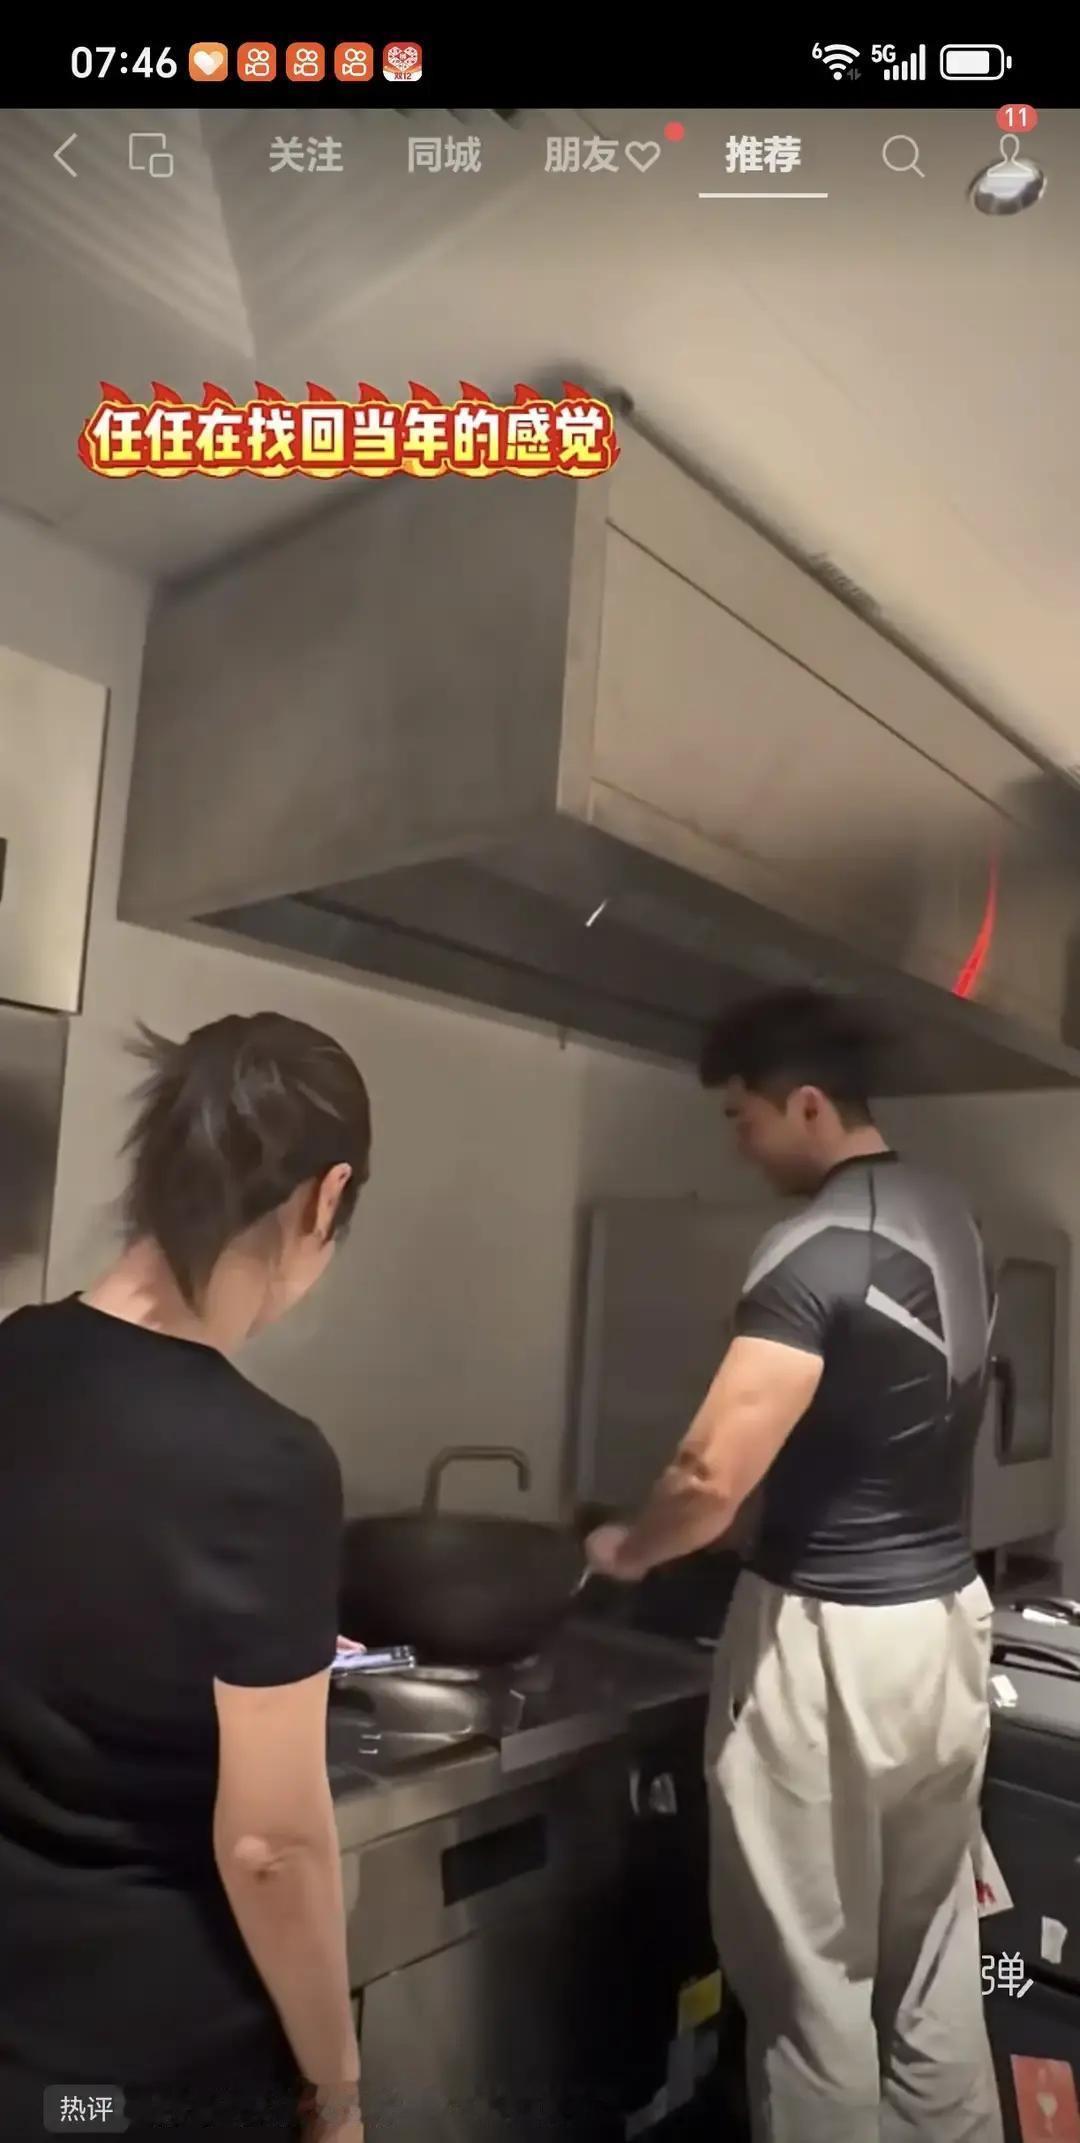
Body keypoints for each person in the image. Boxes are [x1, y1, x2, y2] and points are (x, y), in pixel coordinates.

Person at [586, 987, 1001, 2143]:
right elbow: (876, 1417)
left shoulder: (814, 1245)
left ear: (807, 1104)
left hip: (828, 1650)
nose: (739, 1140)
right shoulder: (949, 1213)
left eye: (743, 1114)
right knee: (931, 1971)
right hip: (945, 1627)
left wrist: (627, 1547)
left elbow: (707, 1472)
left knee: (812, 1995)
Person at [0, 1012, 372, 2140]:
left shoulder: (10, 1355)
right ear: (324, 1199)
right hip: (136, 2078)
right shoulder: (269, 1464)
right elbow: (270, 1848)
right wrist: (339, 2091)